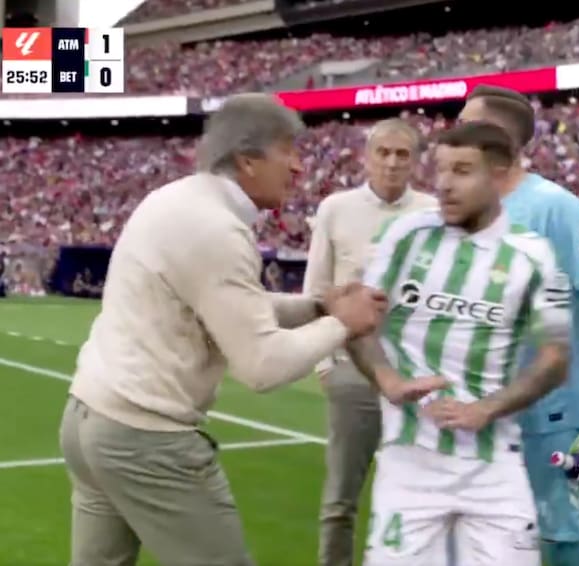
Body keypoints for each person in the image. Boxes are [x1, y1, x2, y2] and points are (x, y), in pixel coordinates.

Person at [59, 93, 384, 566]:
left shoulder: (176, 199)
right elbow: (262, 366)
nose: (298, 168)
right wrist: (342, 323)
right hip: (145, 434)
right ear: (248, 160)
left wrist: (316, 306)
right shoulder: (216, 228)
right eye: (288, 151)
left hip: (90, 414)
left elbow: (230, 307)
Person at [348, 121, 572, 566]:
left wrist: (486, 409)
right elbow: (358, 323)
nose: (445, 185)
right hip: (410, 461)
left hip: (494, 465)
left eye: (463, 171)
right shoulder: (406, 236)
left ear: (501, 174)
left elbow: (556, 357)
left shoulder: (535, 256)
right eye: (441, 170)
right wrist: (387, 379)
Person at [459, 85, 579, 566]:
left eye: (465, 119)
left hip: (552, 417)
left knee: (559, 539)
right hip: (485, 411)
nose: (454, 128)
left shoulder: (555, 207)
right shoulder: (465, 208)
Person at [303, 118, 437, 566]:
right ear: (367, 156)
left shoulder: (434, 213)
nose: (392, 163)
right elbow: (316, 290)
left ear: (416, 161)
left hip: (414, 370)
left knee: (420, 496)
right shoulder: (336, 209)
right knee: (342, 495)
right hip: (352, 366)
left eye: (403, 154)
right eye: (384, 152)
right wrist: (325, 365)